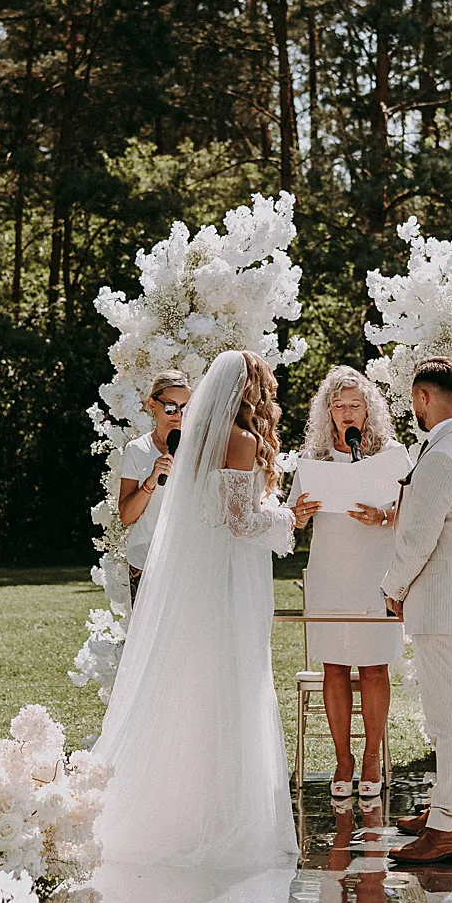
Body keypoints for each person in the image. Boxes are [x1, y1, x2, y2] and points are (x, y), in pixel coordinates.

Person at [95, 348, 298, 868]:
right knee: (233, 683)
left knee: (199, 684)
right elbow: (240, 521)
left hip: (209, 574)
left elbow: (216, 510)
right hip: (230, 577)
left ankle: (188, 804)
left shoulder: (203, 441)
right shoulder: (240, 440)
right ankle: (225, 816)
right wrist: (288, 519)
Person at [381, 358, 452, 866]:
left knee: (447, 716)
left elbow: (418, 536)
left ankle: (449, 825)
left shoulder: (443, 454)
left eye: (413, 400)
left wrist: (392, 586)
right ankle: (449, 807)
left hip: (441, 601)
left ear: (424, 397)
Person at [288, 367, 409, 800]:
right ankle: (344, 758)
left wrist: (383, 516)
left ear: (369, 409)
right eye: (338, 406)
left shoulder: (391, 454)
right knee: (334, 667)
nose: (345, 413)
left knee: (375, 666)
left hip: (375, 575)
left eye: (354, 405)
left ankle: (373, 756)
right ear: (327, 412)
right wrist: (298, 515)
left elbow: (415, 513)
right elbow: (294, 520)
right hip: (329, 573)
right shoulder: (315, 458)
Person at [117, 370, 191, 607]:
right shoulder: (136, 449)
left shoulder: (200, 451)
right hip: (145, 558)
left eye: (185, 408)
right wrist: (150, 481)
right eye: (170, 407)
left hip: (189, 559)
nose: (178, 415)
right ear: (152, 404)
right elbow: (127, 516)